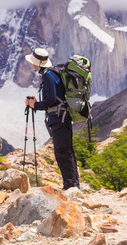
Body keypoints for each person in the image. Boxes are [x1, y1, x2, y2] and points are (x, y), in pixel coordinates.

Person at [24, 48, 80, 190]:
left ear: (37, 63)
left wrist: (34, 104)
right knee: (67, 151)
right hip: (63, 118)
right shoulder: (53, 73)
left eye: (33, 62)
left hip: (58, 118)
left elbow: (51, 100)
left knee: (62, 152)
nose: (32, 65)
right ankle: (73, 184)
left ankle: (70, 185)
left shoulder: (48, 75)